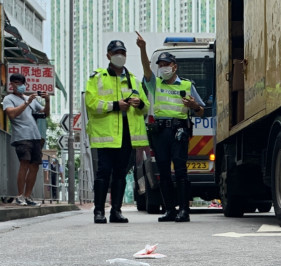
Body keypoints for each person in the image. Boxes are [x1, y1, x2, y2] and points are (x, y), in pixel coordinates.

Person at [137, 32, 206, 222]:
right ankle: (170, 210)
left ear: (174, 66)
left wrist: (193, 106)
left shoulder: (186, 84)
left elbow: (201, 111)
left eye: (166, 65)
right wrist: (143, 49)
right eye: (160, 65)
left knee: (181, 170)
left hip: (179, 131)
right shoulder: (154, 84)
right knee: (164, 171)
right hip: (160, 132)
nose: (162, 68)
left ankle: (184, 210)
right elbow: (145, 69)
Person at [84, 40, 150, 224]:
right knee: (103, 173)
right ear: (108, 56)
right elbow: (91, 103)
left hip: (127, 136)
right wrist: (114, 105)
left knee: (120, 175)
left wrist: (140, 103)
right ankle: (99, 211)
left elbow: (146, 108)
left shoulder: (134, 80)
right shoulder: (98, 77)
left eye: (122, 52)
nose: (119, 56)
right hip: (105, 136)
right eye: (116, 52)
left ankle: (116, 211)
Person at [2, 73, 48, 206]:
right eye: (15, 83)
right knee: (24, 163)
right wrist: (27, 102)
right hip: (21, 136)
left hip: (35, 136)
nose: (18, 86)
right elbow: (12, 113)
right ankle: (19, 195)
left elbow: (45, 113)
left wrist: (48, 101)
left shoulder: (31, 99)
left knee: (34, 166)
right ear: (11, 84)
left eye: (21, 83)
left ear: (24, 84)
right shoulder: (8, 99)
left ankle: (27, 196)